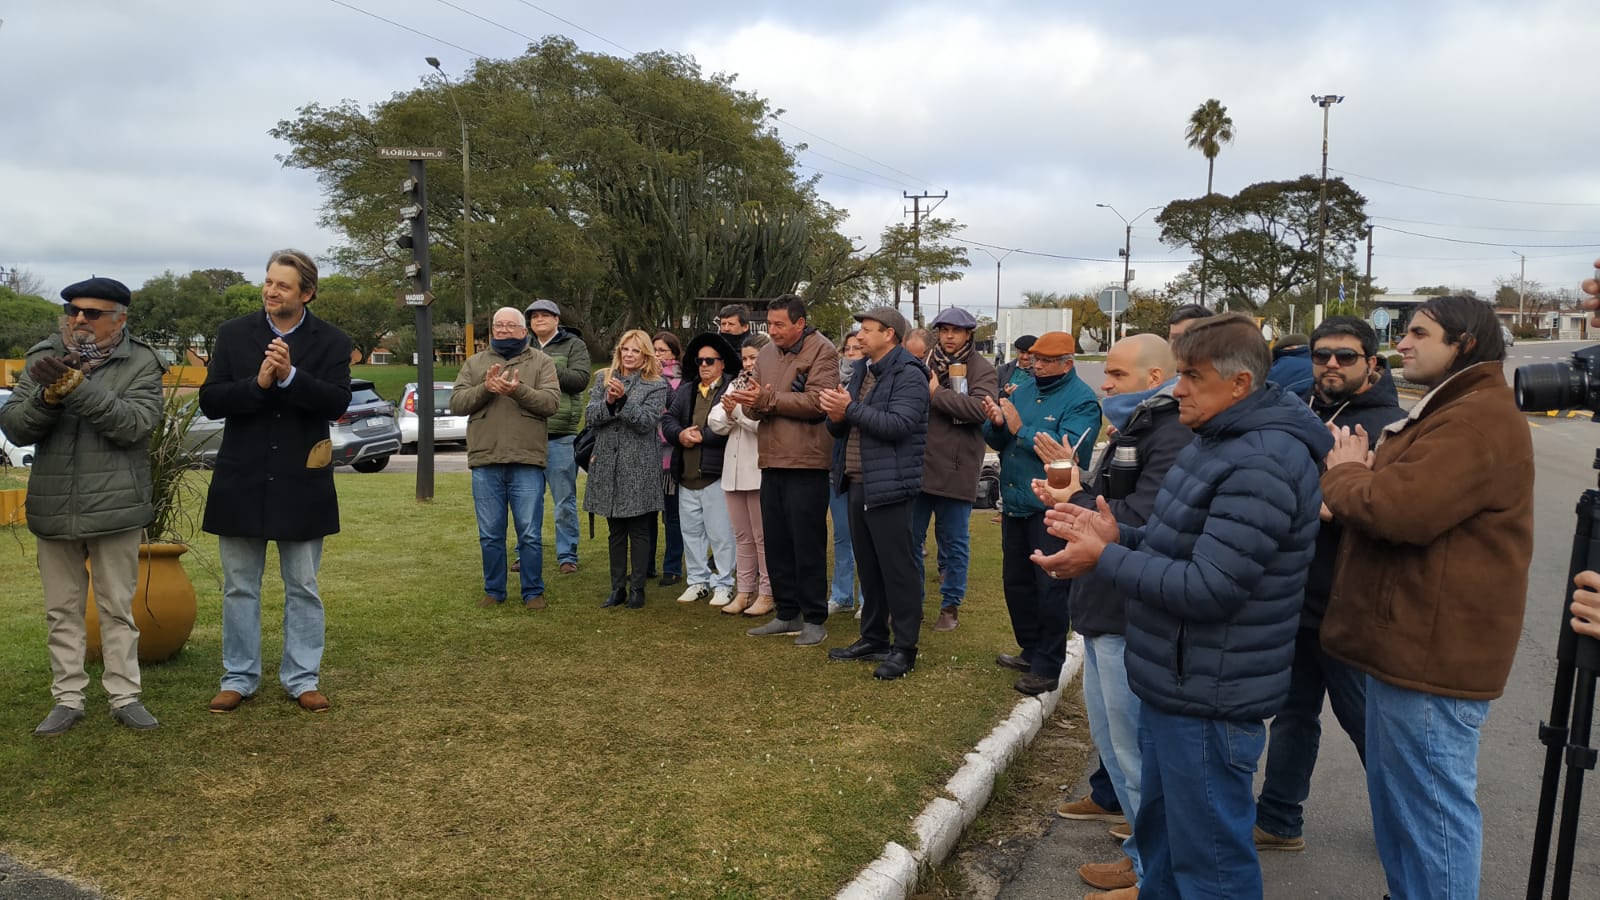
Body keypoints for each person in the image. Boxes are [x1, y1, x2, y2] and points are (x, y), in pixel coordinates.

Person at [1035, 313, 1330, 900]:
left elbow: (1210, 587)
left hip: (1212, 691)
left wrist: (1105, 559)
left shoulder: (1262, 461)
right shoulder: (1219, 440)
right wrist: (1116, 537)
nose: (1178, 388)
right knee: (1170, 849)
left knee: (1211, 863)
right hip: (1179, 679)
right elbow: (1176, 544)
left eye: (1191, 376)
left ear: (1239, 384)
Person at [1318, 295, 1534, 900]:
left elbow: (1400, 510)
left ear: (1463, 343)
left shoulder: (1474, 419)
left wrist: (1346, 473)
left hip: (1433, 658)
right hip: (1408, 648)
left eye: (1417, 333)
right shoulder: (1456, 408)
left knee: (1432, 814)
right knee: (1404, 810)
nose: (1402, 343)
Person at [1036, 333, 1189, 895]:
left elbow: (1140, 521)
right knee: (1115, 746)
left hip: (1131, 613)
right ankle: (1142, 857)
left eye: (1117, 375)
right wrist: (1074, 494)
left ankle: (1156, 875)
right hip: (1104, 608)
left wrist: (1076, 503)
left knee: (1135, 754)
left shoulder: (1170, 432)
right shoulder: (1141, 423)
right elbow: (1109, 505)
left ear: (1155, 378)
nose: (1105, 384)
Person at [1253, 316, 1403, 853]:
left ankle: (1408, 831)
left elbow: (1390, 514)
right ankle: (1277, 820)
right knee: (1293, 714)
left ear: (1373, 364)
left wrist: (1339, 500)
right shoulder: (1303, 409)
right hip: (1296, 597)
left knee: (1370, 726)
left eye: (1345, 356)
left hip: (1351, 603)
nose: (1331, 365)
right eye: (1322, 356)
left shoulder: (1391, 426)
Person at [1, 277, 165, 735]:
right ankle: (67, 699)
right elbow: (15, 427)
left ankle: (125, 696)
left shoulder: (142, 363)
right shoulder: (42, 356)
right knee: (61, 610)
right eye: (73, 310)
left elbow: (136, 425)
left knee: (116, 607)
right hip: (55, 504)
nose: (79, 320)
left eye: (91, 313)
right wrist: (47, 396)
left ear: (119, 318)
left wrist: (76, 388)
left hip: (115, 507)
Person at [201, 249, 353, 714]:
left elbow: (335, 402)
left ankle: (302, 677)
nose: (270, 291)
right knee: (239, 586)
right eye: (268, 282)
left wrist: (291, 378)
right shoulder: (233, 335)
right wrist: (259, 384)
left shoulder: (331, 341)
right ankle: (239, 676)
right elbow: (211, 401)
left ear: (306, 292)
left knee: (303, 585)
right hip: (241, 479)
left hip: (301, 481)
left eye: (282, 285)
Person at [981, 331, 1101, 695]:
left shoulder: (1082, 401)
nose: (1037, 365)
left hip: (1052, 506)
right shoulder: (1024, 388)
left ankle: (1048, 665)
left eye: (1047, 361)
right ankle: (1029, 648)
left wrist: (1019, 427)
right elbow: (1000, 441)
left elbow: (1067, 455)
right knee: (1016, 583)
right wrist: (998, 424)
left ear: (1068, 362)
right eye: (1035, 359)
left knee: (1050, 588)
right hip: (1016, 502)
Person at [726, 294, 841, 647]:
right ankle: (787, 612)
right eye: (770, 325)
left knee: (806, 541)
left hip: (806, 460)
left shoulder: (823, 351)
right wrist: (750, 404)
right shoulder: (765, 353)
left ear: (800, 323)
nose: (772, 331)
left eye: (779, 325)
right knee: (776, 542)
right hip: (770, 458)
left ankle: (815, 617)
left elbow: (817, 402)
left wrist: (766, 400)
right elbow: (757, 404)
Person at [823, 307, 930, 680]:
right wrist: (836, 416)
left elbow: (899, 425)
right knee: (869, 568)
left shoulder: (909, 374)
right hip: (857, 481)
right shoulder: (862, 372)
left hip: (891, 486)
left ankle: (904, 648)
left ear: (890, 335)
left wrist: (848, 409)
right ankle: (873, 637)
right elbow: (843, 427)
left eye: (867, 330)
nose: (859, 336)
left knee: (898, 570)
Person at [453, 307, 561, 610]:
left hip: (527, 460)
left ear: (523, 330)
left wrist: (518, 391)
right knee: (489, 534)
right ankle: (494, 591)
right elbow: (457, 403)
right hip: (486, 460)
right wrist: (485, 388)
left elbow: (551, 403)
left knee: (528, 532)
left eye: (510, 326)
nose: (503, 330)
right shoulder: (475, 363)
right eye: (498, 326)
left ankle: (533, 592)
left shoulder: (542, 362)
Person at [914, 307, 999, 632]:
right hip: (920, 463)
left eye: (956, 330)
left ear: (968, 334)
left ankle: (950, 606)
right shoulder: (923, 362)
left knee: (953, 543)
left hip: (957, 466)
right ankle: (912, 603)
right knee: (911, 540)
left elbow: (980, 408)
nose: (949, 336)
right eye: (944, 329)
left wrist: (937, 394)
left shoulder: (981, 369)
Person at [584, 329, 671, 610]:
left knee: (640, 528)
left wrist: (623, 400)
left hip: (639, 466)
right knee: (616, 530)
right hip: (608, 464)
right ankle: (616, 587)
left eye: (635, 350)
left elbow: (645, 422)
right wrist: (609, 402)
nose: (629, 355)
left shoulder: (657, 385)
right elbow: (591, 417)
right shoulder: (603, 379)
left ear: (645, 355)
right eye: (625, 349)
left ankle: (638, 588)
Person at [662, 333, 740, 606]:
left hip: (715, 475)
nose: (704, 365)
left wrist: (702, 437)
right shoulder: (687, 389)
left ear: (722, 363)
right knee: (691, 532)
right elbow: (668, 419)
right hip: (686, 474)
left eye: (710, 360)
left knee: (721, 534)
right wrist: (681, 435)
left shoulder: (731, 387)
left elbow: (732, 424)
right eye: (699, 361)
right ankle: (697, 581)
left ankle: (724, 583)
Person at [523, 298, 591, 575]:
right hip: (526, 434)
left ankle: (567, 555)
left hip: (561, 435)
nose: (539, 320)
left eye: (545, 315)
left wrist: (544, 364)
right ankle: (525, 553)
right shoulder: (522, 346)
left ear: (556, 319)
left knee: (564, 501)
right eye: (534, 316)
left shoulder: (574, 345)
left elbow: (579, 380)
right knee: (527, 500)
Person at [708, 333, 773, 617]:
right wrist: (733, 415)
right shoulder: (737, 382)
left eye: (753, 358)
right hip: (732, 470)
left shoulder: (769, 387)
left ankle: (767, 592)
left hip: (757, 469)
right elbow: (715, 421)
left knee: (762, 537)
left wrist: (738, 415)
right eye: (744, 358)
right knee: (741, 535)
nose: (747, 363)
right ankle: (744, 590)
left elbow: (766, 428)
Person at [827, 329, 864, 617]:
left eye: (856, 349)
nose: (851, 354)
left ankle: (867, 597)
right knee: (841, 536)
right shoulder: (833, 383)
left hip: (864, 470)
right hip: (838, 467)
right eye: (847, 349)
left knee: (866, 538)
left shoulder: (870, 382)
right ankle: (841, 595)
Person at [648, 331, 686, 586]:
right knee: (646, 515)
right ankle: (645, 565)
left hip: (672, 458)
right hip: (647, 456)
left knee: (673, 516)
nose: (657, 355)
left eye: (661, 350)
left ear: (673, 352)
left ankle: (672, 567)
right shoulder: (645, 377)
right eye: (653, 350)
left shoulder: (683, 381)